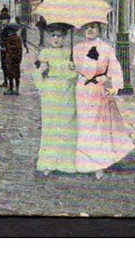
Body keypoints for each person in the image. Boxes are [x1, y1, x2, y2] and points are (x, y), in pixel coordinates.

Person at [72, 24, 135, 178]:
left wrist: (115, 86)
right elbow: (74, 71)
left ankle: (98, 164)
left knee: (97, 127)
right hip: (82, 90)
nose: (89, 30)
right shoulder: (77, 48)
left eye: (93, 27)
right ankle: (83, 162)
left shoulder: (106, 48)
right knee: (83, 125)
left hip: (98, 90)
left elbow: (114, 67)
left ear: (99, 30)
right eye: (87, 27)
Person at [32, 26, 79, 175]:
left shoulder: (69, 53)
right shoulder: (45, 53)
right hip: (51, 91)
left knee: (66, 123)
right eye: (53, 36)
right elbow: (37, 74)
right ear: (49, 37)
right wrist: (42, 86)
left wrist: (73, 68)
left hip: (66, 90)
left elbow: (76, 76)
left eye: (60, 36)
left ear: (65, 38)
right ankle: (49, 162)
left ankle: (66, 162)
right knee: (51, 125)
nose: (56, 39)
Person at [0, 23, 27, 94]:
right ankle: (17, 90)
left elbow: (10, 48)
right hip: (17, 58)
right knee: (17, 74)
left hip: (11, 59)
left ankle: (11, 89)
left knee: (10, 74)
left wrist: (3, 49)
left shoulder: (10, 38)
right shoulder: (18, 38)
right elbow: (19, 49)